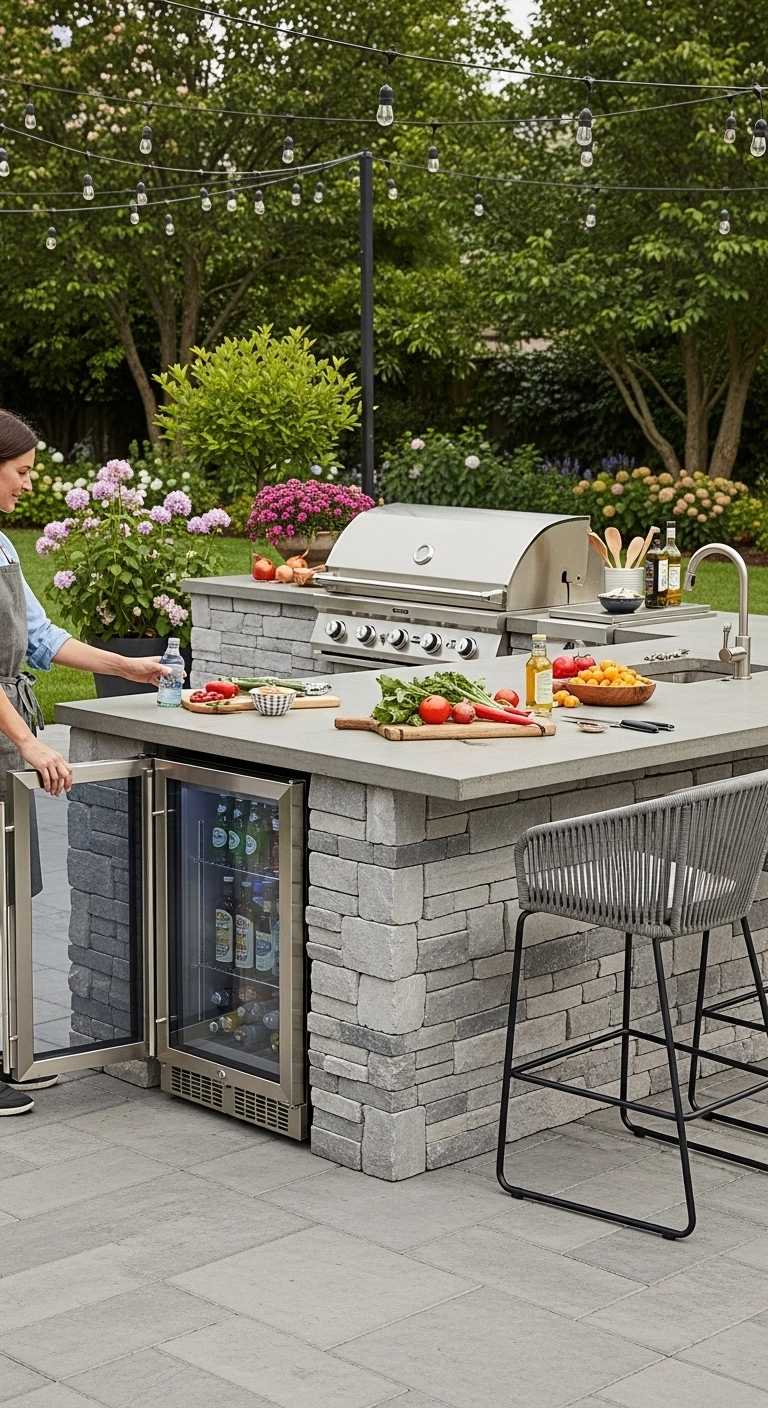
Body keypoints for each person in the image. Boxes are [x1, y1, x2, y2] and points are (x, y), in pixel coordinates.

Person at [0, 409, 170, 1115]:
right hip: (5, 739)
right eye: (20, 473)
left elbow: (40, 638)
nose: (27, 486)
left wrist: (125, 666)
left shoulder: (3, 550)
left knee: (8, 899)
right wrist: (29, 742)